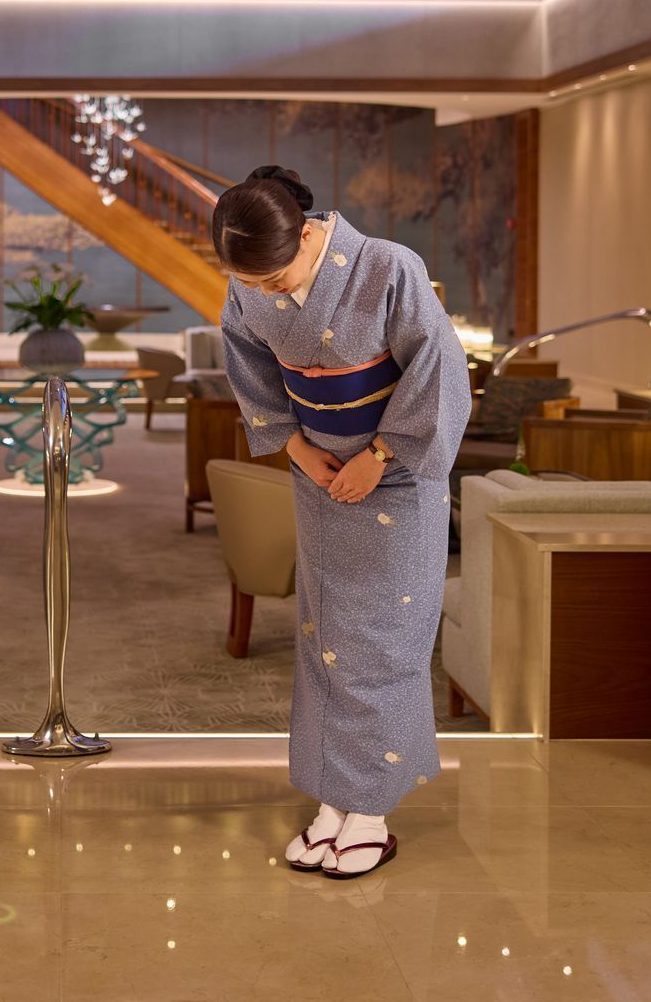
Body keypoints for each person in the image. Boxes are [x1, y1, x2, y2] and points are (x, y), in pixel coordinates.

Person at [214, 165, 469, 879]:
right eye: (252, 284)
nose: (268, 294)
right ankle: (334, 798)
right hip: (321, 474)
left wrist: (379, 455)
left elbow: (439, 369)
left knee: (384, 641)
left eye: (274, 279)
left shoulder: (387, 266)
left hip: (398, 474)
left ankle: (372, 812)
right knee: (326, 638)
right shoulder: (249, 285)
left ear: (305, 235)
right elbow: (251, 370)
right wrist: (299, 450)